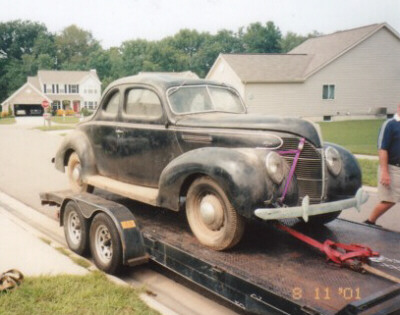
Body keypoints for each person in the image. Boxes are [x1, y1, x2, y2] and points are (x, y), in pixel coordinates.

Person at [365, 103, 400, 225]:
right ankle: (370, 222)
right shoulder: (390, 125)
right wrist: (385, 172)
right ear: (399, 107)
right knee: (389, 200)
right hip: (392, 168)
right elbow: (382, 149)